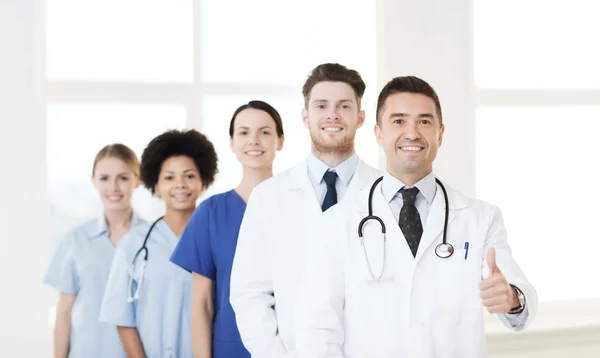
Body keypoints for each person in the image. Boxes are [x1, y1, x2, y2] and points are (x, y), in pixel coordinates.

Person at [296, 76, 538, 358]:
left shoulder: (480, 218)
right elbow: (319, 328)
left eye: (424, 121)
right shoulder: (339, 221)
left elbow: (522, 304)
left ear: (440, 133)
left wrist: (511, 298)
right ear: (378, 133)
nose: (412, 133)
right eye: (398, 121)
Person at [229, 63, 381, 357]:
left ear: (360, 117)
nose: (332, 115)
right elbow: (249, 293)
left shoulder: (386, 193)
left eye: (344, 106)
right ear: (305, 116)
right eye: (321, 105)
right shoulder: (269, 197)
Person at [170, 101, 285, 358]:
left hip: (291, 348)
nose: (253, 140)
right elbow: (202, 304)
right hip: (230, 348)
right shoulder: (210, 213)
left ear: (280, 141)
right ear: (232, 143)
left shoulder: (299, 207)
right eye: (244, 132)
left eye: (264, 132)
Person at [99, 129, 218, 358]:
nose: (180, 184)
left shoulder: (217, 240)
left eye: (189, 176)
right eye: (169, 177)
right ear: (156, 185)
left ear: (204, 182)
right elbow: (123, 318)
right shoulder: (132, 244)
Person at [44, 144, 144, 358]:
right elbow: (64, 312)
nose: (114, 187)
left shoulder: (152, 239)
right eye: (105, 178)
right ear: (94, 181)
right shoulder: (76, 240)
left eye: (123, 178)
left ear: (138, 180)